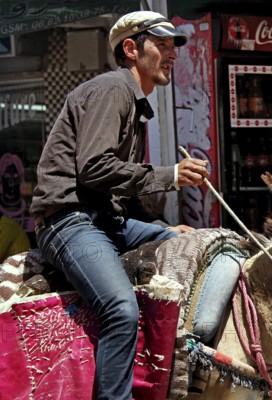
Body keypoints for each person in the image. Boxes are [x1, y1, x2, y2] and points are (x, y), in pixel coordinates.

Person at [29, 11, 210, 400]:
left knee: (193, 242)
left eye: (173, 47)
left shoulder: (136, 103)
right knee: (120, 308)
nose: (171, 55)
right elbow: (94, 169)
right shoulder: (113, 89)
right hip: (69, 221)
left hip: (108, 220)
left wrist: (161, 226)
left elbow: (119, 195)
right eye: (161, 45)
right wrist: (170, 176)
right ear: (131, 48)